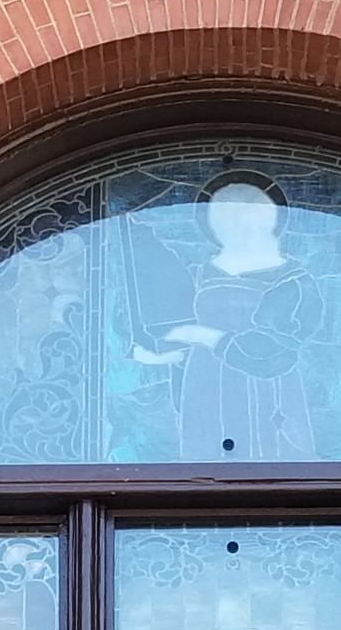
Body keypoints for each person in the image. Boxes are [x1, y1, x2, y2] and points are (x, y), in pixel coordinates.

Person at [133, 174, 324, 461]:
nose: (231, 230)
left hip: (263, 392)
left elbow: (274, 352)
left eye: (239, 220)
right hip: (204, 384)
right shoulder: (206, 270)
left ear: (266, 220)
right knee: (202, 459)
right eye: (222, 223)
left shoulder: (295, 283)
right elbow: (187, 330)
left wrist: (202, 336)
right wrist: (162, 358)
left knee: (266, 462)